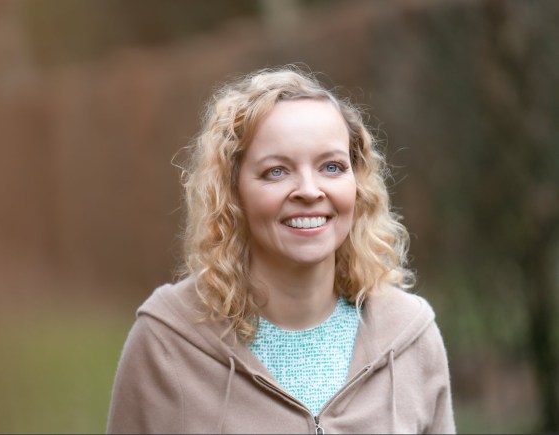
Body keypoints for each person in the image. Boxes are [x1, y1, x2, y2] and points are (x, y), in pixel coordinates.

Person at [107, 66, 455, 434]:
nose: (308, 190)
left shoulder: (411, 337)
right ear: (233, 191)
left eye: (332, 167)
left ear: (358, 184)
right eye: (276, 171)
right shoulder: (165, 345)